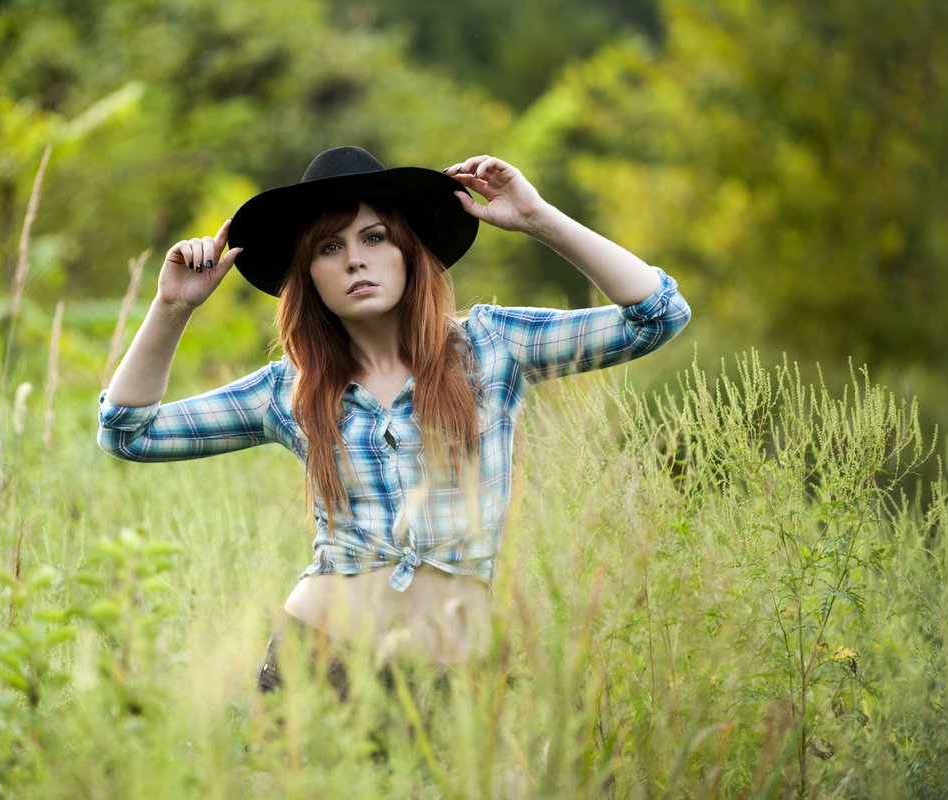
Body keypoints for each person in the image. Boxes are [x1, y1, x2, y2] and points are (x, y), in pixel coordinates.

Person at [97, 146, 691, 699]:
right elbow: (128, 432)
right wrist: (173, 307)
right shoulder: (290, 390)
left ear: (407, 250)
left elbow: (657, 314)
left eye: (374, 237)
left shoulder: (492, 346)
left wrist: (537, 218)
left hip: (459, 674)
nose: (355, 257)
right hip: (319, 663)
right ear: (309, 277)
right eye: (329, 247)